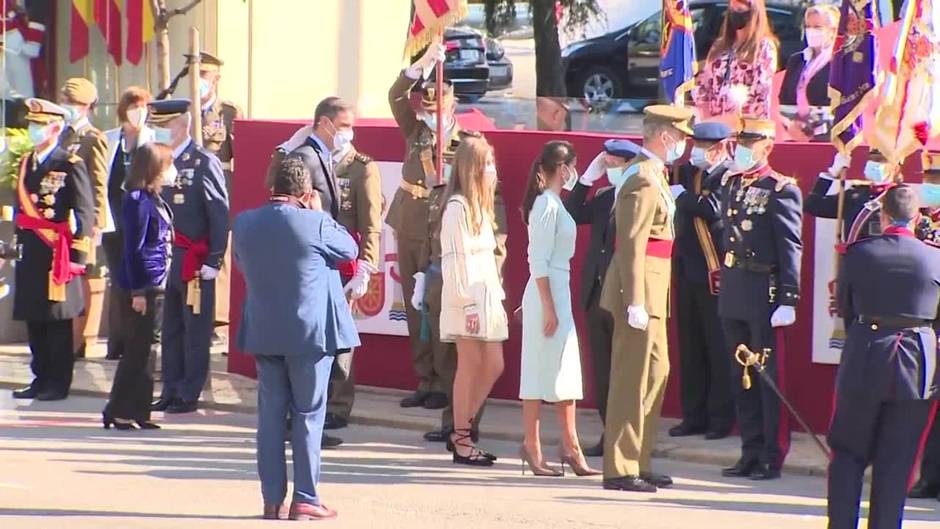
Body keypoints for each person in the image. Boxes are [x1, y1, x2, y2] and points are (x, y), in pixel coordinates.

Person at [233, 157, 359, 522]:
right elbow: (349, 250)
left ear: (273, 187)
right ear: (306, 193)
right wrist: (320, 213)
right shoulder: (315, 222)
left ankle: (272, 500)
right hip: (309, 337)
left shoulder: (245, 223)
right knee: (308, 416)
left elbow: (241, 261)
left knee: (270, 417)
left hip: (264, 332)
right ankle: (305, 498)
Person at [828, 185, 940, 529]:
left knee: (848, 453)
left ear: (883, 216)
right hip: (917, 362)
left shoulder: (859, 253)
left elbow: (845, 308)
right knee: (897, 461)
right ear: (917, 218)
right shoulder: (935, 257)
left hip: (866, 352)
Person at [601, 105, 692, 493]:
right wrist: (634, 300)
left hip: (654, 291)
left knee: (656, 373)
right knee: (631, 379)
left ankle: (639, 458)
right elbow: (632, 243)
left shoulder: (654, 174)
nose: (683, 144)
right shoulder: (641, 177)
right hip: (638, 293)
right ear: (664, 136)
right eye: (681, 137)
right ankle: (620, 467)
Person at [265, 97, 359, 448]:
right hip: (308, 264)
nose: (348, 132)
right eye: (344, 125)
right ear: (324, 123)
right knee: (307, 352)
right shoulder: (305, 156)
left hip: (323, 260)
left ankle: (306, 425)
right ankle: (299, 426)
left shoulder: (323, 156)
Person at [719, 118, 803, 481]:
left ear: (767, 147)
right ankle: (749, 451)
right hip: (734, 286)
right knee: (741, 376)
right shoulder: (731, 183)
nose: (741, 150)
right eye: (739, 143)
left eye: (748, 145)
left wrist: (789, 298)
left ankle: (772, 453)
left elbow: (790, 246)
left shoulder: (781, 189)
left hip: (763, 290)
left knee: (767, 377)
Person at [416, 130, 509, 449]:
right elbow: (456, 261)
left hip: (487, 296)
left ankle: (462, 428)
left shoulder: (481, 204)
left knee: (494, 364)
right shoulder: (457, 206)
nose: (492, 169)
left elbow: (491, 255)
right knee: (468, 366)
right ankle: (462, 437)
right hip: (466, 298)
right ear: (472, 167)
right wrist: (468, 305)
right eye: (487, 163)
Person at [518, 140, 600, 477]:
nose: (574, 173)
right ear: (563, 169)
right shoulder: (545, 205)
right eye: (573, 167)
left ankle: (569, 445)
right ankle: (533, 445)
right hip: (547, 291)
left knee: (565, 370)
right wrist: (548, 307)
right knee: (538, 370)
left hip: (556, 288)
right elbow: (537, 260)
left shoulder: (554, 203)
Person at [387, 40, 461, 411]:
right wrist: (422, 65)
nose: (431, 115)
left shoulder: (465, 144)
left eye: (438, 109)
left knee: (438, 306)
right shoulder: (416, 132)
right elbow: (395, 96)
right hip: (409, 225)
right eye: (427, 109)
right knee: (414, 308)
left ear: (452, 106)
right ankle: (425, 378)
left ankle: (446, 384)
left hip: (442, 232)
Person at [147, 99, 229, 415]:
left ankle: (188, 392)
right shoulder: (158, 161)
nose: (159, 132)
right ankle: (169, 388)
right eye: (155, 127)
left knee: (194, 329)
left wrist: (214, 259)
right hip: (167, 257)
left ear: (183, 125)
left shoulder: (203, 162)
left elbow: (219, 214)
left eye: (164, 126)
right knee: (169, 329)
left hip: (194, 260)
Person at [563, 139, 643, 457]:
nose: (608, 170)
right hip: (595, 294)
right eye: (605, 164)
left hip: (623, 295)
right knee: (602, 371)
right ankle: (609, 432)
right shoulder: (604, 196)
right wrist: (586, 179)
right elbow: (572, 214)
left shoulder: (637, 197)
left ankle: (626, 437)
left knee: (624, 371)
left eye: (613, 165)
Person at [10, 98, 94, 401]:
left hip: (56, 253)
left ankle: (57, 382)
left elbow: (85, 212)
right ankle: (40, 376)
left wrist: (77, 256)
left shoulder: (69, 164)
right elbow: (21, 209)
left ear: (56, 128)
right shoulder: (26, 162)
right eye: (32, 124)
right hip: (30, 251)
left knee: (56, 319)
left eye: (40, 125)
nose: (34, 130)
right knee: (34, 317)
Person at [669, 122, 735, 440]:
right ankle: (693, 416)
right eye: (695, 145)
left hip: (715, 273)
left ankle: (719, 419)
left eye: (704, 146)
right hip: (686, 271)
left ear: (720, 148)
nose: (697, 151)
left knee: (717, 348)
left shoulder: (728, 176)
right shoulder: (688, 173)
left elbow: (712, 209)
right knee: (691, 348)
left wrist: (682, 196)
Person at [102, 143, 174, 431]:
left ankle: (140, 410)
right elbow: (134, 248)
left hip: (158, 281)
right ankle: (118, 409)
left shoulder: (154, 197)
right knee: (136, 349)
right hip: (143, 284)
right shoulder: (136, 199)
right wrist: (137, 291)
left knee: (149, 350)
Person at [323, 117, 383, 432]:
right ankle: (317, 400)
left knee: (341, 336)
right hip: (317, 260)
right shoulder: (314, 158)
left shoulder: (362, 168)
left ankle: (338, 404)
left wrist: (366, 265)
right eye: (338, 125)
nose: (343, 132)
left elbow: (371, 223)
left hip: (346, 265)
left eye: (347, 126)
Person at [188, 51, 243, 343]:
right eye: (195, 75)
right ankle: (193, 310)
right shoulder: (185, 111)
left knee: (219, 251)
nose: (198, 81)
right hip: (189, 188)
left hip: (220, 187)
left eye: (203, 76)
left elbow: (241, 157)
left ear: (216, 79)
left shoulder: (228, 113)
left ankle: (219, 320)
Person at [102, 87, 154, 361]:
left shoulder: (153, 139)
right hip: (114, 220)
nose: (139, 113)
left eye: (143, 108)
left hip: (141, 219)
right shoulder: (110, 139)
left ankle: (138, 340)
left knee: (140, 280)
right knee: (118, 280)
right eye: (135, 107)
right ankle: (117, 342)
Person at [58, 77, 108, 360]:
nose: (66, 106)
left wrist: (96, 222)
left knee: (83, 277)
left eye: (72, 102)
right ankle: (64, 338)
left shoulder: (92, 138)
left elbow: (98, 183)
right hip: (60, 219)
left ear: (86, 105)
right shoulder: (62, 134)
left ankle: (79, 341)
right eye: (65, 101)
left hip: (82, 219)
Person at [694, 0, 778, 125]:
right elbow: (704, 88)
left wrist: (732, 122)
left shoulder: (764, 48)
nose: (734, 14)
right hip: (714, 127)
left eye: (739, 10)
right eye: (732, 9)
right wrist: (708, 121)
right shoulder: (719, 46)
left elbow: (761, 95)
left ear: (752, 13)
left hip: (747, 128)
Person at [910, 150, 940, 502]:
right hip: (924, 326)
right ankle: (929, 477)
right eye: (929, 180)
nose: (931, 187)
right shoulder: (918, 223)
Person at [805, 149, 902, 245]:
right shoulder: (855, 195)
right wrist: (832, 173)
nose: (874, 164)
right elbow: (813, 206)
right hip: (855, 254)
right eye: (871, 160)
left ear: (895, 168)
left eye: (880, 161)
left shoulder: (903, 197)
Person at [778, 4, 839, 142]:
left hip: (827, 138)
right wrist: (790, 124)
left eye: (817, 27)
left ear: (832, 31)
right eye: (808, 27)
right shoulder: (797, 60)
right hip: (794, 136)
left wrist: (813, 126)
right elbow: (784, 100)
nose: (811, 32)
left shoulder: (840, 62)